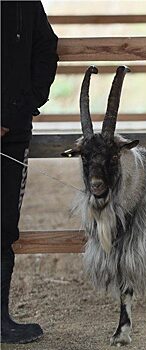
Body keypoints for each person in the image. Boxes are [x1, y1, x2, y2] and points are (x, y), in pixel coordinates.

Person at [1, 1, 58, 344]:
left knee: (3, 223)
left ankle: (0, 319)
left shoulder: (25, 3)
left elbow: (46, 48)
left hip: (14, 131)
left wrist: (20, 108)